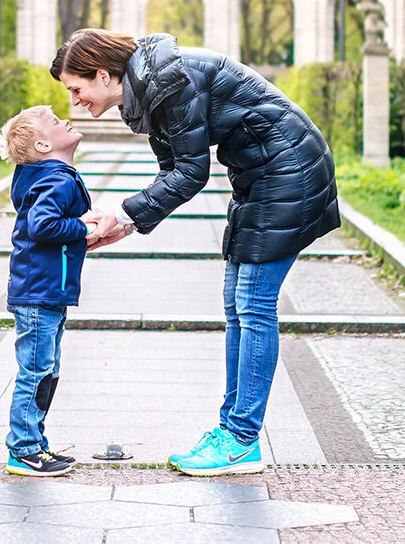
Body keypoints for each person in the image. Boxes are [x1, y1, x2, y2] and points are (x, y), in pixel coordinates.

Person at [53, 29, 339, 476]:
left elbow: (191, 172)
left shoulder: (170, 80)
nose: (74, 101)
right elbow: (173, 169)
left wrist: (124, 214)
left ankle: (240, 440)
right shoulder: (150, 86)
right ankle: (232, 432)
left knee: (253, 305)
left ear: (104, 76)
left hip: (289, 172)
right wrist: (125, 224)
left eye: (76, 88)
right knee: (237, 304)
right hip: (261, 176)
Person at [0, 104, 91, 476]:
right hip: (39, 292)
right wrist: (83, 227)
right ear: (43, 146)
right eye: (55, 122)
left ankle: (35, 442)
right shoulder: (55, 180)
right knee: (36, 372)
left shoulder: (48, 175)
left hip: (46, 291)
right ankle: (24, 449)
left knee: (45, 371)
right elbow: (43, 226)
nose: (65, 120)